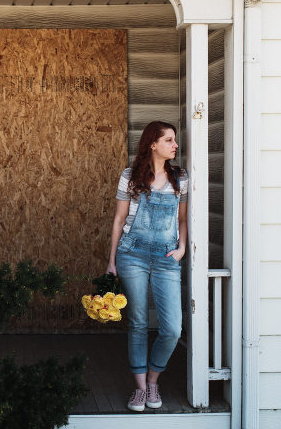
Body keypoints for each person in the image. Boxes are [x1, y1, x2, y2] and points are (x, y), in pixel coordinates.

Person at [106, 120, 188, 412]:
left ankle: (154, 379)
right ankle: (141, 389)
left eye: (174, 140)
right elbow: (119, 220)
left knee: (172, 329)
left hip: (166, 258)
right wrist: (112, 261)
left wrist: (180, 249)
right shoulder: (130, 176)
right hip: (133, 255)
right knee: (139, 323)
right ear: (153, 144)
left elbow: (181, 220)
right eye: (169, 140)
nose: (175, 145)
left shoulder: (180, 177)